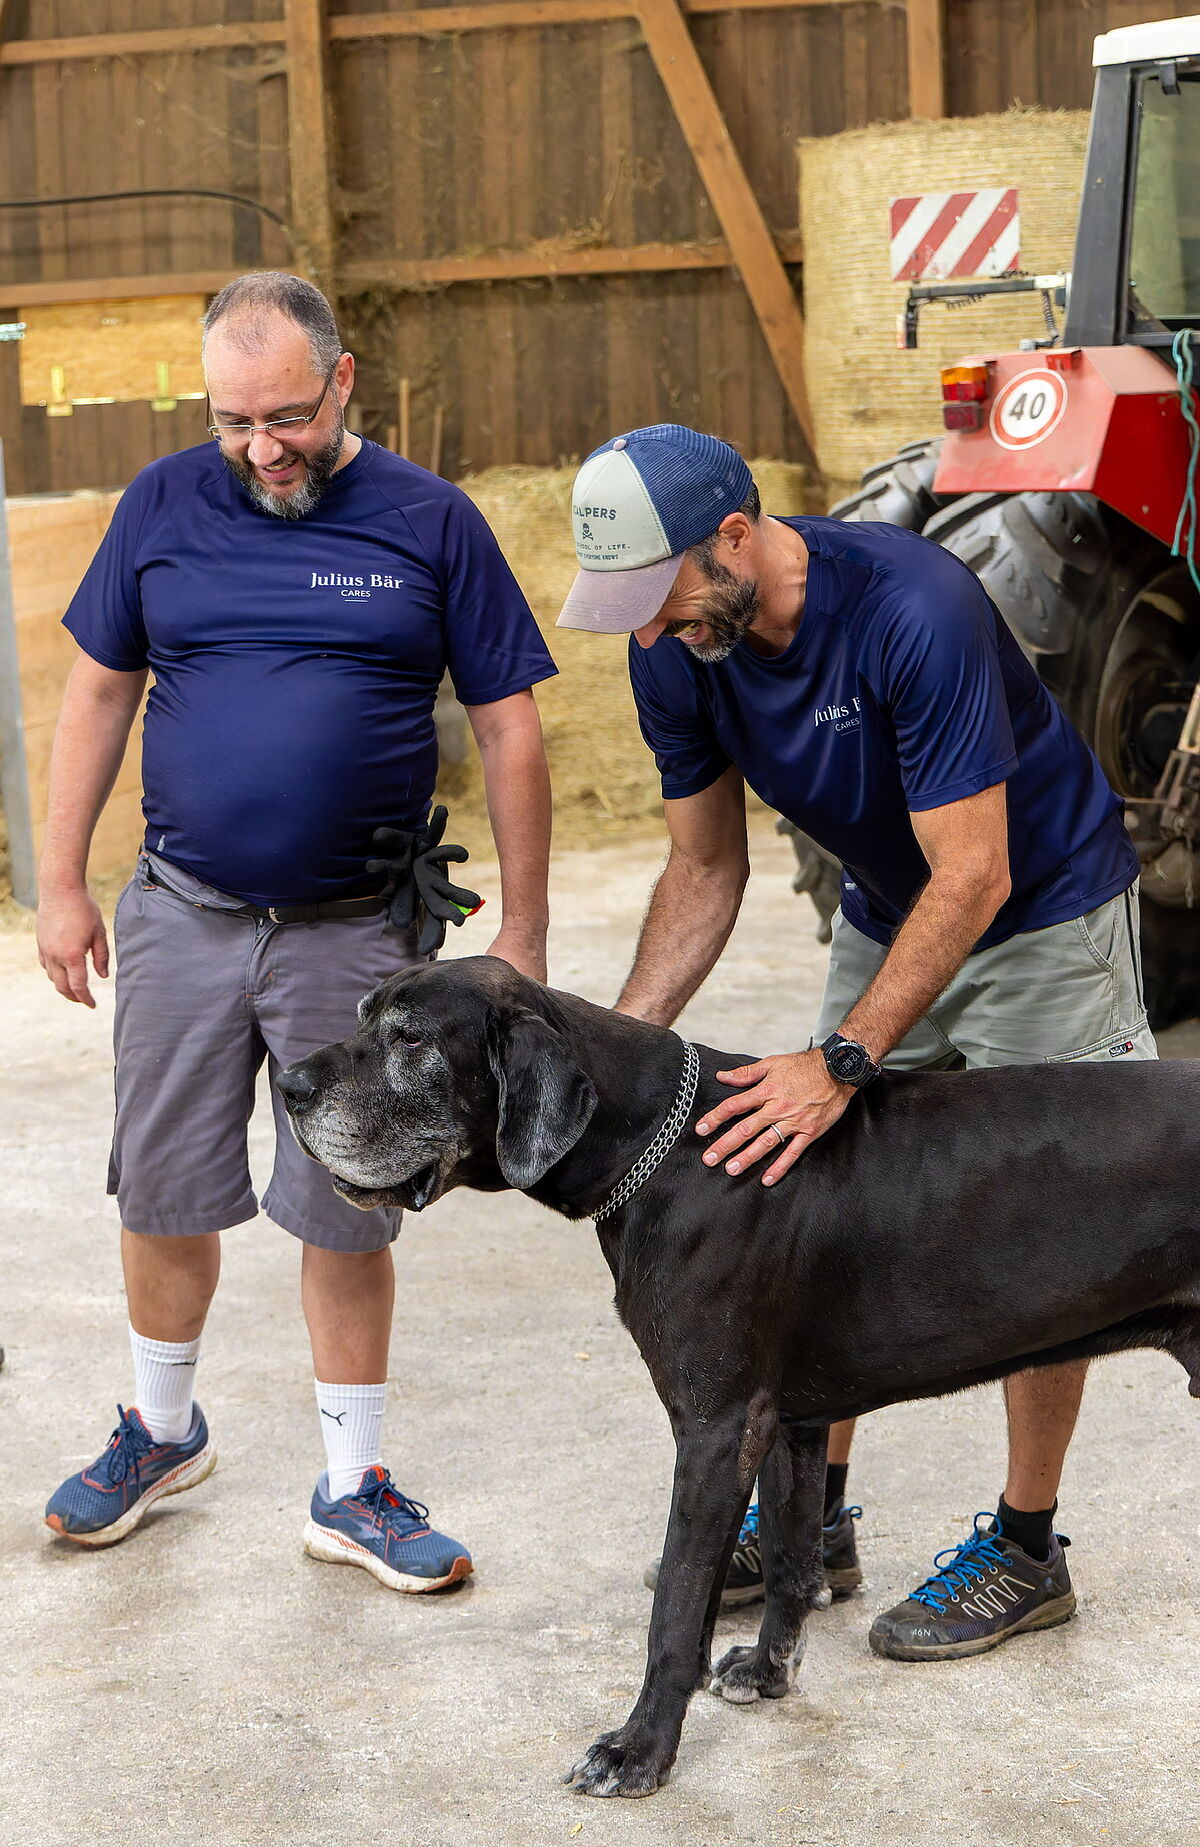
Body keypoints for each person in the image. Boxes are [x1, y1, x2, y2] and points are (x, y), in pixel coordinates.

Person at [557, 423, 1155, 1660]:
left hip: (1040, 911)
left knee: (1051, 1225)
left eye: (658, 592)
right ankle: (808, 1523)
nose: (650, 628)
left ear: (736, 534)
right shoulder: (673, 645)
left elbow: (978, 873)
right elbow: (703, 864)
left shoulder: (910, 608)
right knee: (805, 1178)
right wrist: (609, 1045)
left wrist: (843, 1056)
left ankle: (1027, 1546)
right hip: (897, 909)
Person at [38, 272, 556, 1592]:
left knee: (348, 1200)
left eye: (285, 416)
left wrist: (530, 933)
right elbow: (99, 693)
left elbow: (508, 725)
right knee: (160, 1185)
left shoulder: (432, 520)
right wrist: (59, 881)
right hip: (184, 915)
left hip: (353, 931)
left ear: (344, 381)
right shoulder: (161, 501)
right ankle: (160, 1430)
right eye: (232, 421)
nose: (262, 448)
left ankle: (352, 1481)